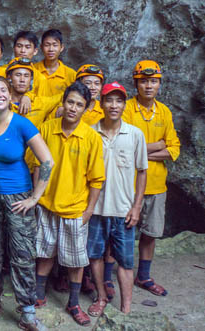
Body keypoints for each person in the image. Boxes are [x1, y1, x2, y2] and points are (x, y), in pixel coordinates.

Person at [0, 76, 54, 330]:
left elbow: (47, 161)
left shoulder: (22, 124)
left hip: (18, 195)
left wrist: (35, 198)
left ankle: (27, 311)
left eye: (3, 90)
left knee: (22, 252)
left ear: (10, 96)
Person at [27, 82, 105, 326]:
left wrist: (89, 210)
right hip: (47, 204)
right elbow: (36, 165)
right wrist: (37, 198)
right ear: (63, 102)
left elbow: (96, 179)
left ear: (86, 108)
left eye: (79, 105)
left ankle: (73, 302)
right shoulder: (47, 129)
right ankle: (39, 295)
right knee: (44, 253)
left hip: (75, 208)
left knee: (76, 260)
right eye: (70, 102)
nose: (73, 108)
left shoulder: (91, 137)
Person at [86, 82, 148, 316]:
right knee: (95, 255)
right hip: (95, 209)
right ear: (101, 104)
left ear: (124, 105)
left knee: (125, 261)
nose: (114, 105)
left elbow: (142, 171)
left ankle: (126, 308)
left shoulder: (135, 134)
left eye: (119, 101)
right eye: (109, 100)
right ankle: (101, 297)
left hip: (123, 210)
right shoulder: (90, 132)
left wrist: (136, 206)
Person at [121, 60, 180, 297]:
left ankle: (143, 276)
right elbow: (123, 146)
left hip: (156, 185)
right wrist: (157, 145)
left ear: (159, 84)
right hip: (127, 185)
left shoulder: (164, 111)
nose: (148, 86)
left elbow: (173, 149)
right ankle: (111, 279)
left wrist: (142, 151)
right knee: (120, 233)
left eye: (153, 81)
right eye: (144, 81)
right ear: (136, 83)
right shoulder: (126, 108)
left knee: (150, 233)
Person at [5, 57, 61, 127]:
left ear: (31, 79)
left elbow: (64, 95)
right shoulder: (1, 104)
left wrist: (61, 106)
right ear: (9, 77)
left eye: (26, 76)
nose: (22, 80)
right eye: (18, 75)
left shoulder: (40, 103)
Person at [33, 29, 76, 96]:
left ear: (61, 47)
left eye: (55, 45)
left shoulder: (71, 75)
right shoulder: (33, 69)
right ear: (41, 47)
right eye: (47, 45)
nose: (51, 49)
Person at [4, 31, 48, 96]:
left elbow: (41, 100)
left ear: (35, 51)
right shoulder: (2, 71)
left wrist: (29, 97)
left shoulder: (40, 78)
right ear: (14, 48)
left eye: (27, 47)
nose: (23, 51)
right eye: (19, 46)